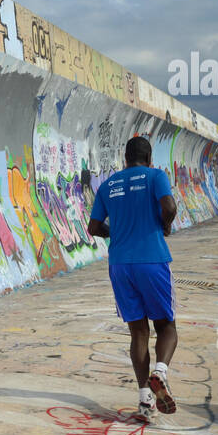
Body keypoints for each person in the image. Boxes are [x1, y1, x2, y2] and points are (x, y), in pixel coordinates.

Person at [86, 137, 179, 419]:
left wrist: (117, 233)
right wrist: (164, 225)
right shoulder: (155, 176)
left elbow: (93, 227)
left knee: (138, 331)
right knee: (166, 327)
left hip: (120, 265)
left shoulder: (108, 185)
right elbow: (170, 206)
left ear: (124, 159)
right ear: (149, 158)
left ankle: (144, 401)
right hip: (152, 260)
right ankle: (160, 372)